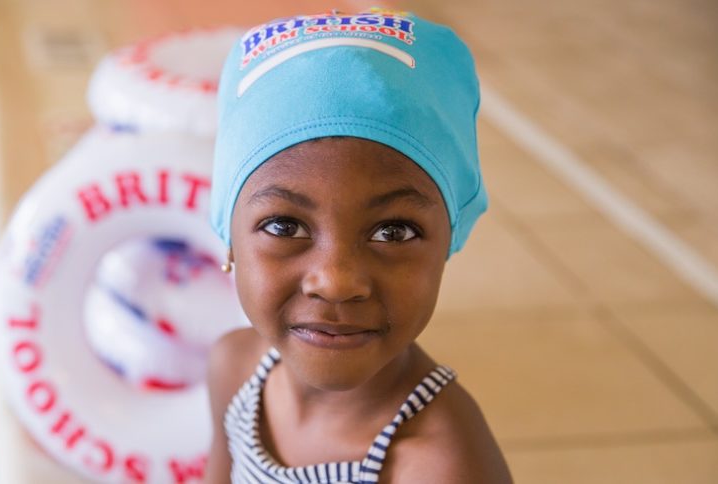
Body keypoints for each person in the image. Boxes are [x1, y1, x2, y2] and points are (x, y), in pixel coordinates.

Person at [204, 8, 512, 483]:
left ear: (449, 242)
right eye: (285, 226)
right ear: (229, 239)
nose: (336, 281)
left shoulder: (438, 465)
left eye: (393, 232)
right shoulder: (235, 370)